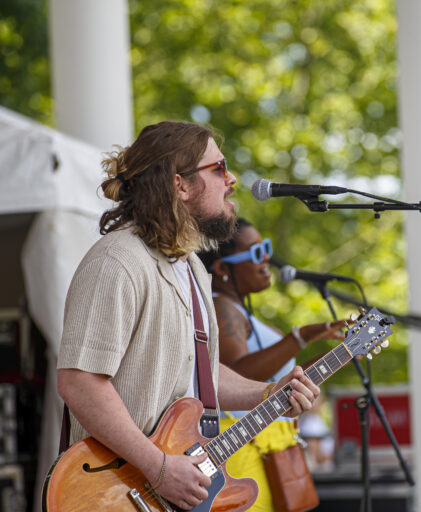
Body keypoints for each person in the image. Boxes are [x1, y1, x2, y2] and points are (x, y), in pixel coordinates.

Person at [56, 121, 320, 511]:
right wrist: (158, 467)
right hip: (116, 494)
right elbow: (80, 381)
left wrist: (265, 394)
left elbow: (203, 372)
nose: (231, 180)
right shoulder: (116, 261)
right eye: (218, 168)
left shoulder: (192, 266)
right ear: (179, 185)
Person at [197, 219, 347, 511]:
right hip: (242, 449)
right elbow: (237, 374)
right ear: (223, 269)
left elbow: (288, 378)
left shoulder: (241, 312)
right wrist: (300, 336)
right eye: (255, 252)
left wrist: (343, 352)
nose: (266, 257)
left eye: (266, 248)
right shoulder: (221, 305)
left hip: (270, 450)